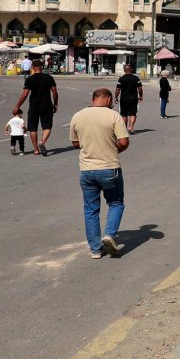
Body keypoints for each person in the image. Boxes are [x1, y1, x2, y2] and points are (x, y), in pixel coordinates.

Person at [69, 87, 130, 258]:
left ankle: (95, 249)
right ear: (109, 99)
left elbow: (75, 143)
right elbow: (124, 142)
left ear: (94, 99)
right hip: (109, 168)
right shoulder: (113, 116)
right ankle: (109, 234)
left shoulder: (78, 116)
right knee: (116, 203)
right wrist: (112, 150)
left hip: (87, 170)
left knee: (90, 209)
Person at [13, 60, 60, 156]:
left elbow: (25, 94)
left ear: (32, 68)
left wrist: (17, 106)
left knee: (33, 128)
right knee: (47, 127)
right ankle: (42, 142)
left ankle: (36, 150)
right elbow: (54, 92)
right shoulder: (49, 78)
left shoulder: (30, 79)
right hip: (46, 105)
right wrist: (55, 104)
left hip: (34, 106)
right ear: (42, 67)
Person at [115, 63, 143, 132]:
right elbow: (140, 88)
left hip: (123, 99)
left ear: (124, 70)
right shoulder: (136, 78)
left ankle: (124, 129)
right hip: (133, 99)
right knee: (133, 114)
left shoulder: (121, 79)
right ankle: (131, 128)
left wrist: (116, 97)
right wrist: (141, 95)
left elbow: (118, 89)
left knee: (124, 114)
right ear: (131, 69)